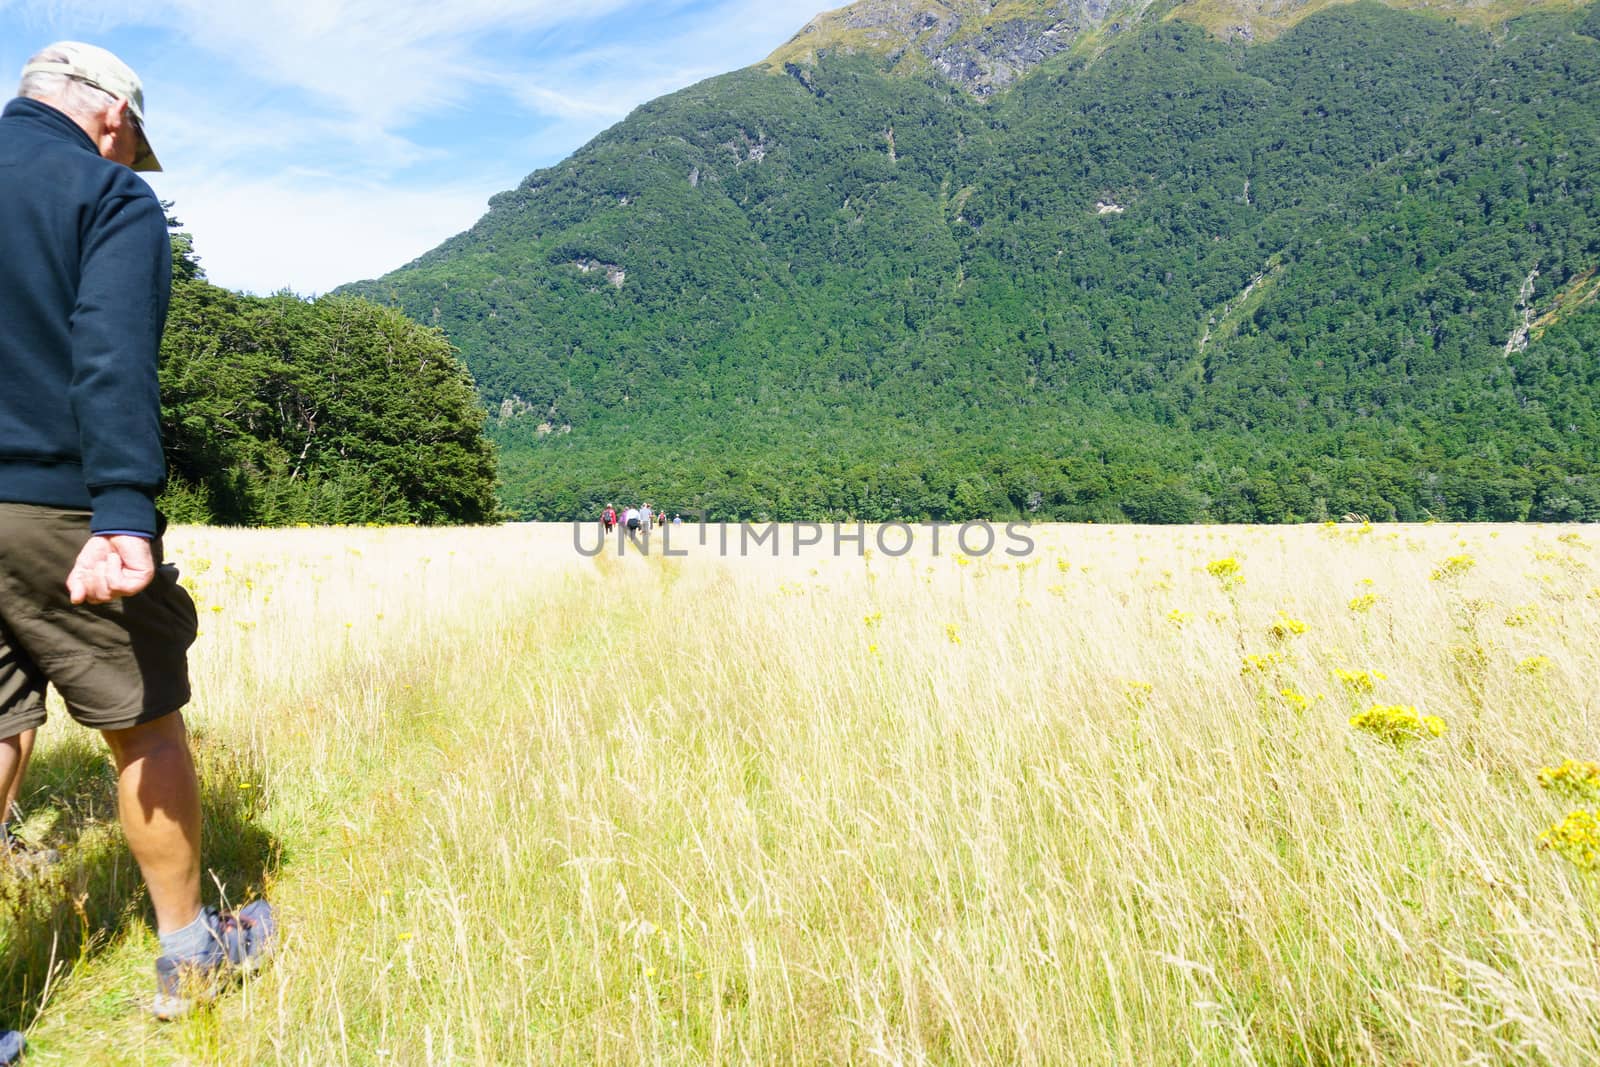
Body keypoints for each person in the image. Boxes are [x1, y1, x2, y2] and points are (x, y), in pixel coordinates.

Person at [0, 42, 275, 1027]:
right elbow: (111, 354)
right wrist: (122, 508)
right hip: (55, 506)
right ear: (112, 117)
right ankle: (192, 957)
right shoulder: (106, 197)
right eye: (130, 144)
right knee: (144, 717)